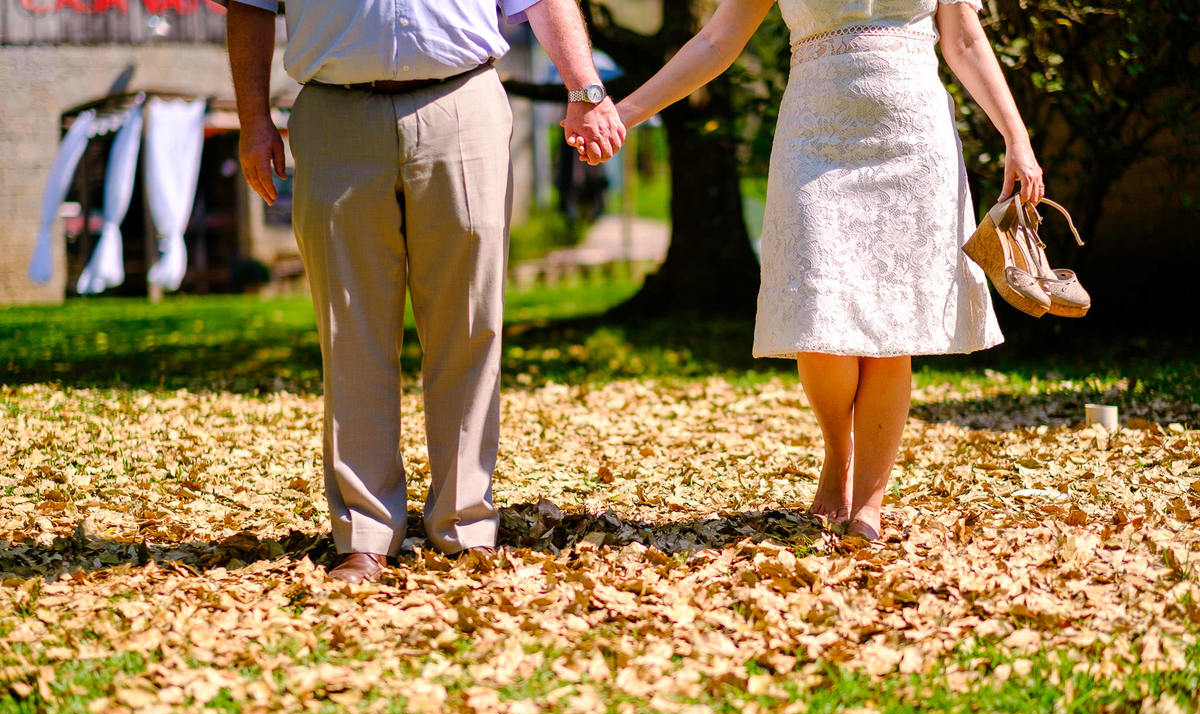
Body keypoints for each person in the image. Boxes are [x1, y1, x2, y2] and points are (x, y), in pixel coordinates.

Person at [226, 0, 625, 582]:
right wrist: (252, 119)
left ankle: (465, 526)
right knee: (349, 330)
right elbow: (250, 4)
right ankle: (363, 533)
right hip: (333, 112)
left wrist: (586, 92)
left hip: (462, 103)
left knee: (470, 323)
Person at [614, 0, 1041, 540]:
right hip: (814, 143)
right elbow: (716, 42)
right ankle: (839, 451)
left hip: (912, 142)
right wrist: (624, 113)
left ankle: (870, 501)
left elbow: (966, 42)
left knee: (893, 327)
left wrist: (1016, 139)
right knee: (819, 314)